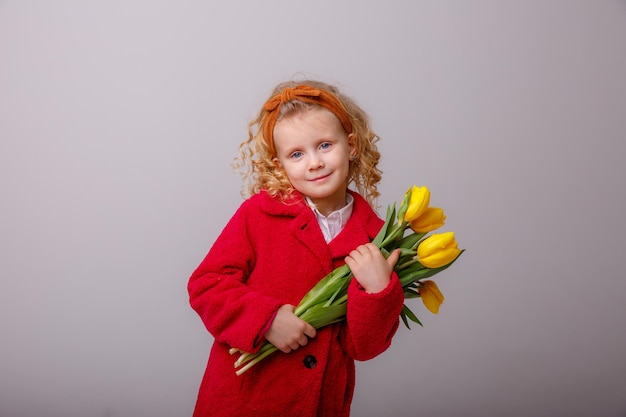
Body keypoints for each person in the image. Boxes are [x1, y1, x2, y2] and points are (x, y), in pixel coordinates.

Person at [187, 79, 405, 417]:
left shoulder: (375, 238)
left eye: (324, 146)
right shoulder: (259, 214)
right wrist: (266, 320)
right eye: (297, 154)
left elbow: (363, 348)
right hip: (244, 400)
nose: (314, 163)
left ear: (351, 146)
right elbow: (207, 284)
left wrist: (379, 293)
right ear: (280, 164)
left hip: (319, 404)